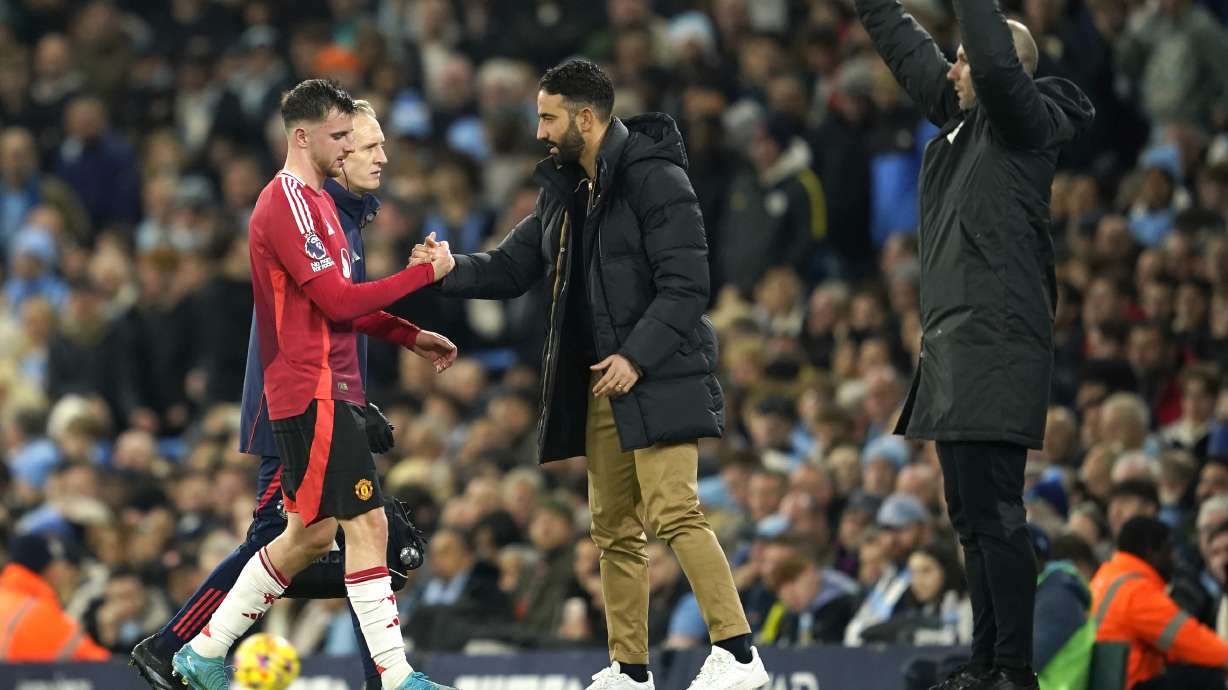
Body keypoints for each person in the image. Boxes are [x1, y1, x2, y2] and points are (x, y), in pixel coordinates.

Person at [411, 58, 769, 690]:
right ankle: (630, 670)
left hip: (657, 372)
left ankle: (739, 655)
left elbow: (687, 287)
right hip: (602, 381)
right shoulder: (565, 191)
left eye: (548, 116)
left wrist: (638, 356)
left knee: (675, 511)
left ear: (585, 116)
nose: (541, 130)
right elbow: (511, 267)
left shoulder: (656, 178)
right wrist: (448, 270)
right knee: (612, 531)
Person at [169, 79, 458, 690]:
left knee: (310, 534)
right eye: (341, 135)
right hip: (310, 388)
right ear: (303, 137)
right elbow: (336, 303)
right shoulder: (288, 203)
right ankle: (397, 676)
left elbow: (342, 306)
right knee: (370, 527)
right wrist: (423, 276)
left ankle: (201, 653)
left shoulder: (321, 205)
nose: (351, 145)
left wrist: (410, 334)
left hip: (316, 389)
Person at [853, 0, 1095, 684]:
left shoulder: (1024, 124)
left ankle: (1012, 669)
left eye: (964, 55)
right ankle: (988, 661)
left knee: (995, 515)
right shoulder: (961, 130)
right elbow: (911, 55)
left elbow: (988, 57)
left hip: (997, 342)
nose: (953, 62)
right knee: (969, 521)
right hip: (957, 347)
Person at [1090, 516, 1228, 690]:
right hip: (1128, 684)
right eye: (1169, 551)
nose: (1174, 560)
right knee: (1208, 675)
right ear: (1152, 552)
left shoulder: (1105, 578)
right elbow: (1192, 641)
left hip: (1106, 683)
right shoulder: (1136, 590)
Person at [0, 532, 110, 662]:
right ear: (48, 568)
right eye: (57, 563)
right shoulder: (36, 610)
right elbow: (96, 660)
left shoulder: (8, 596)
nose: (61, 572)